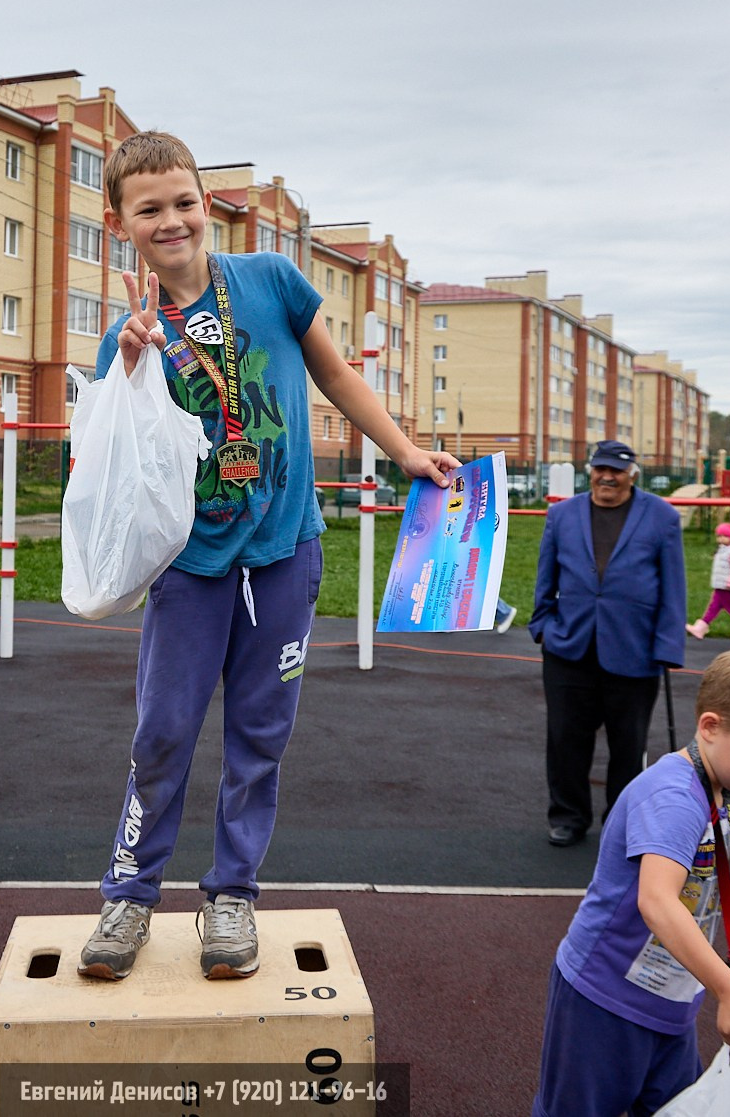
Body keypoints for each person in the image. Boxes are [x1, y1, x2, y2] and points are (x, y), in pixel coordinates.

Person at [78, 130, 458, 982]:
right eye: (150, 210)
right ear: (120, 223)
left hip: (285, 550)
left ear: (204, 204)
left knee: (261, 733)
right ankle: (130, 895)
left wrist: (403, 451)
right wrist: (131, 365)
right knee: (163, 731)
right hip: (190, 561)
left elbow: (338, 377)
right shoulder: (126, 334)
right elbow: (109, 460)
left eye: (184, 202)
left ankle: (232, 894)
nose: (171, 220)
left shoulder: (273, 281)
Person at [532, 649, 730, 1117]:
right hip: (605, 999)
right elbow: (658, 903)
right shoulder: (675, 797)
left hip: (668, 1000)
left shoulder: (715, 788)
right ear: (710, 727)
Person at [527, 440, 686, 847]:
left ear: (632, 474)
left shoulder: (662, 517)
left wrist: (668, 646)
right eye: (601, 469)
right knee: (565, 741)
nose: (607, 477)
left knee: (628, 747)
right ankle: (568, 816)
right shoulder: (562, 514)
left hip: (635, 652)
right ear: (590, 470)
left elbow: (674, 587)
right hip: (568, 649)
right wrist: (542, 625)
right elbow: (546, 577)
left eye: (617, 471)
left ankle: (622, 823)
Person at [688, 522, 730, 642]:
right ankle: (700, 628)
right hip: (721, 586)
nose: (721, 538)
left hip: (727, 587)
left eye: (724, 536)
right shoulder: (723, 550)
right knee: (713, 607)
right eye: (719, 536)